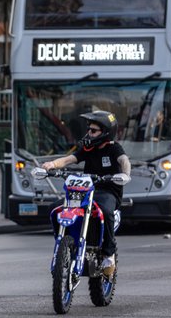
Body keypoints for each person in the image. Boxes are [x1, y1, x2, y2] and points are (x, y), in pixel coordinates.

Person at [41, 110, 130, 277]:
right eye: (89, 129)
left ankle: (109, 254)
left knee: (106, 211)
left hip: (108, 191)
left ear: (105, 132)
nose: (89, 133)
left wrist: (125, 174)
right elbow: (69, 159)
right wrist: (52, 164)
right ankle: (67, 244)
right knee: (55, 208)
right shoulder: (88, 149)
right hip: (86, 191)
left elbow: (124, 161)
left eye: (93, 130)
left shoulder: (114, 148)